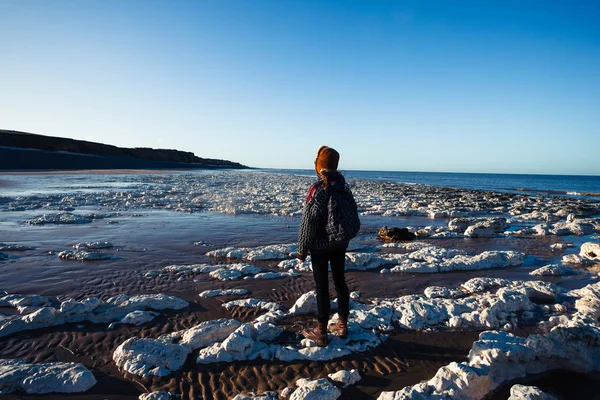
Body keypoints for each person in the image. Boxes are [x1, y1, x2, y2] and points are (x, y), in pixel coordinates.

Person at [297, 145, 360, 347]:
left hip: (320, 246)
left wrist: (302, 249)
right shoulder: (344, 187)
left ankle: (321, 332)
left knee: (322, 286)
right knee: (340, 282)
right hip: (340, 243)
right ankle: (342, 325)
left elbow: (309, 222)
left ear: (319, 166)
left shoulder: (317, 189)